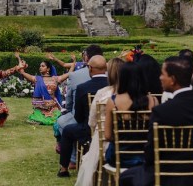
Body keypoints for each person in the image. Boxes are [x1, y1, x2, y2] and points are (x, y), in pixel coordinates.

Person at [119, 56, 193, 186]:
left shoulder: (161, 111)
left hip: (166, 176)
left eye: (162, 74)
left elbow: (151, 151)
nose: (159, 77)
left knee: (125, 177)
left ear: (172, 80)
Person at [75, 57, 125, 186]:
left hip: (105, 142)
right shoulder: (135, 97)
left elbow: (91, 123)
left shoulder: (103, 94)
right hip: (132, 145)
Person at [57, 55, 108, 177]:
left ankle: (64, 168)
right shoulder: (114, 85)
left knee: (68, 130)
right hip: (111, 129)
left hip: (89, 130)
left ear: (90, 68)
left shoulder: (83, 88)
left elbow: (78, 116)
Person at [104, 62, 158, 168]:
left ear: (122, 78)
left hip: (120, 157)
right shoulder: (154, 100)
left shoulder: (113, 101)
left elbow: (107, 135)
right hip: (147, 156)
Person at [17, 55, 75, 125]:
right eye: (40, 66)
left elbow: (70, 73)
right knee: (37, 119)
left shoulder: (56, 79)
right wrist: (20, 60)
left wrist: (56, 59)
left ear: (48, 69)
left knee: (58, 119)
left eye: (43, 66)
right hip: (41, 108)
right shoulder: (36, 79)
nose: (40, 67)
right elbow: (23, 72)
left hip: (53, 107)